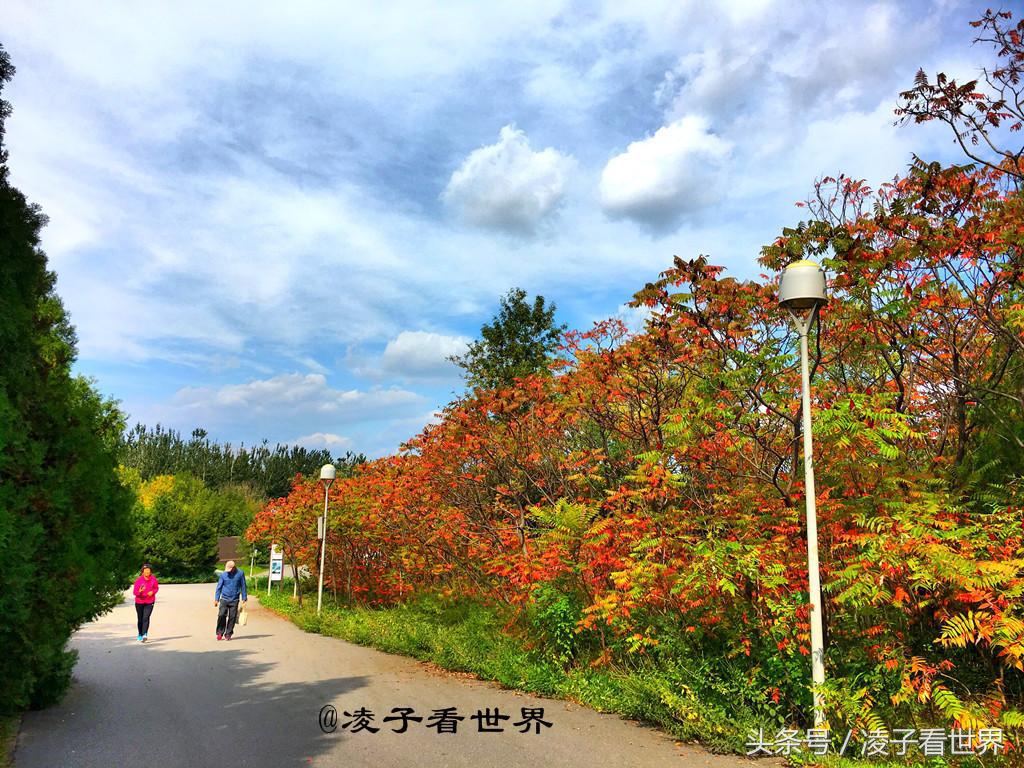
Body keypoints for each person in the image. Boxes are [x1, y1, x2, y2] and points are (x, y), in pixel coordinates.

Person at [214, 560, 247, 640]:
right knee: (221, 615)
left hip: (234, 599)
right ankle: (219, 632)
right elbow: (219, 587)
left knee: (232, 617)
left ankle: (228, 634)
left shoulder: (240, 573)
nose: (228, 571)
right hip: (224, 598)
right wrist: (216, 599)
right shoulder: (223, 575)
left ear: (233, 568)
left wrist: (244, 598)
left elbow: (243, 586)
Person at [132, 563, 159, 642]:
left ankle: (145, 634)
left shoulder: (153, 579)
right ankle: (140, 634)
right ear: (142, 572)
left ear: (151, 571)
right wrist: (139, 591)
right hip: (139, 602)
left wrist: (153, 592)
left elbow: (156, 588)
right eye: (145, 570)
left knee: (146, 618)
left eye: (148, 570)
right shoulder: (138, 580)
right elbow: (135, 592)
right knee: (140, 619)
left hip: (149, 601)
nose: (147, 572)